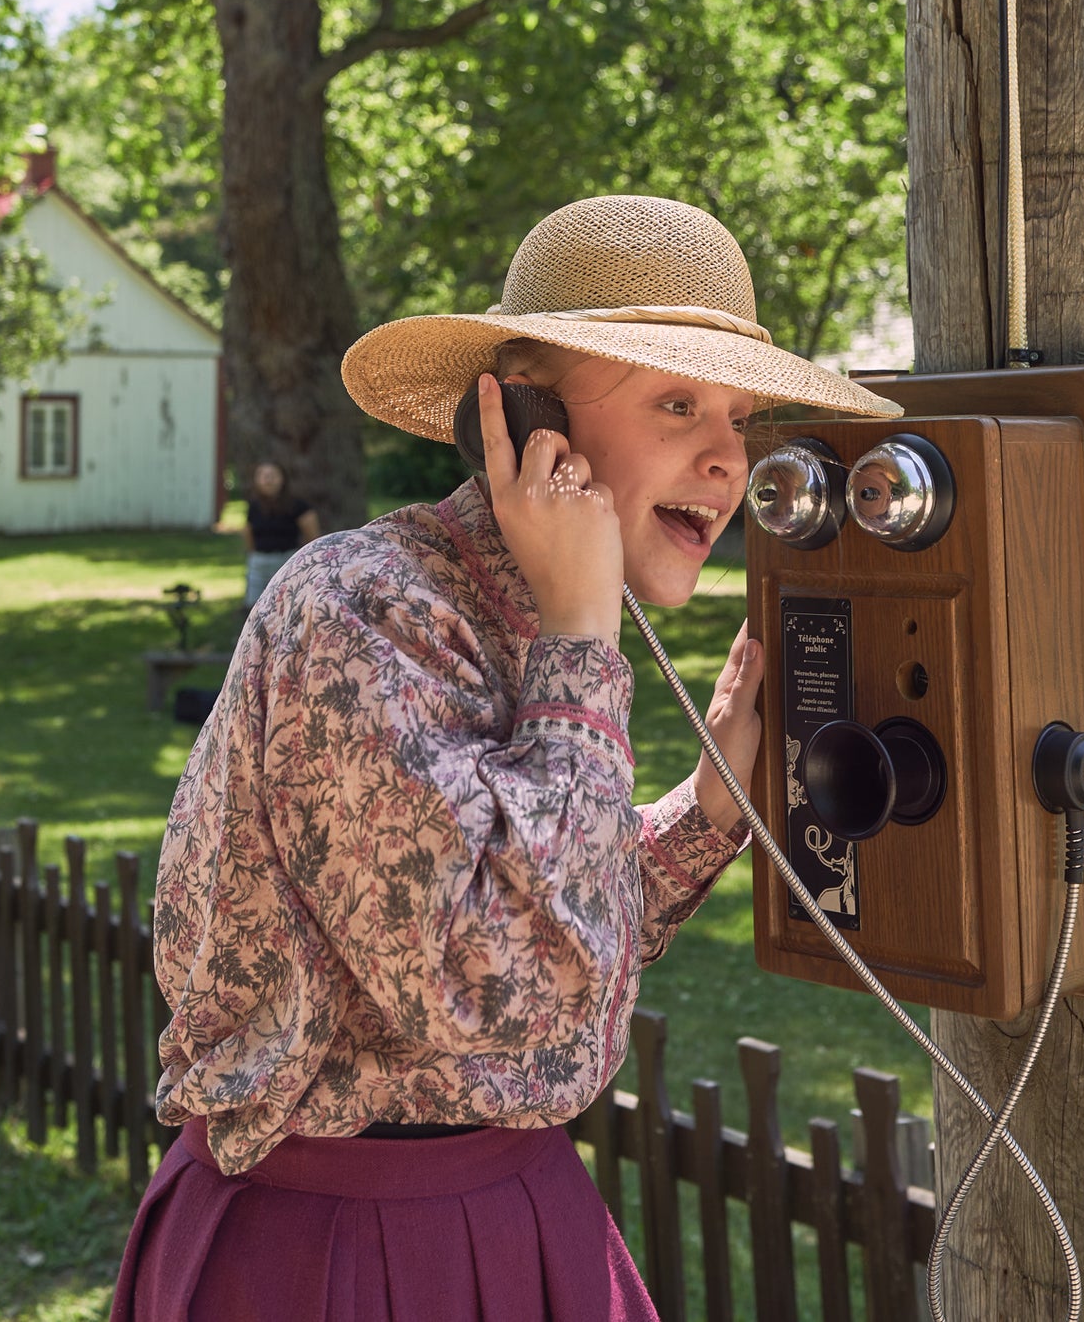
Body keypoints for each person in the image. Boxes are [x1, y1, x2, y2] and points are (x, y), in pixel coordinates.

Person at [111, 194, 900, 1322]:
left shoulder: (519, 617)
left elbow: (548, 921)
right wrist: (582, 644)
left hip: (511, 1211)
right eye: (676, 401)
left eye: (740, 412)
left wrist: (713, 808)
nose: (728, 457)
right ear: (525, 412)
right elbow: (504, 999)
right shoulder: (366, 612)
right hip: (332, 1250)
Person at [242, 460, 319, 612]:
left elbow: (312, 537)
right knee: (255, 608)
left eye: (272, 475)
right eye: (263, 475)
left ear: (283, 479)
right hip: (259, 564)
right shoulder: (253, 506)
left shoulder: (297, 506)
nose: (268, 479)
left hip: (287, 562)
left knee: (288, 607)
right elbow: (248, 533)